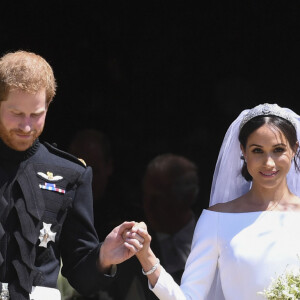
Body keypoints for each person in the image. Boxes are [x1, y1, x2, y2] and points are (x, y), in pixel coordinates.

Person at [0, 50, 143, 300]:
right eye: (16, 114)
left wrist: (103, 256)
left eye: (36, 115)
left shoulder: (70, 173)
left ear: (48, 105)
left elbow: (80, 274)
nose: (25, 126)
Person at [125, 103, 300, 299]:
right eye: (257, 151)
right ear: (243, 151)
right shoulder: (216, 219)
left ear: (294, 149)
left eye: (278, 149)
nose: (269, 162)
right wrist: (147, 257)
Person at [112, 153, 199, 300]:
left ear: (187, 197)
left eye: (159, 197)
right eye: (146, 196)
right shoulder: (130, 248)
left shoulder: (210, 236)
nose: (149, 206)